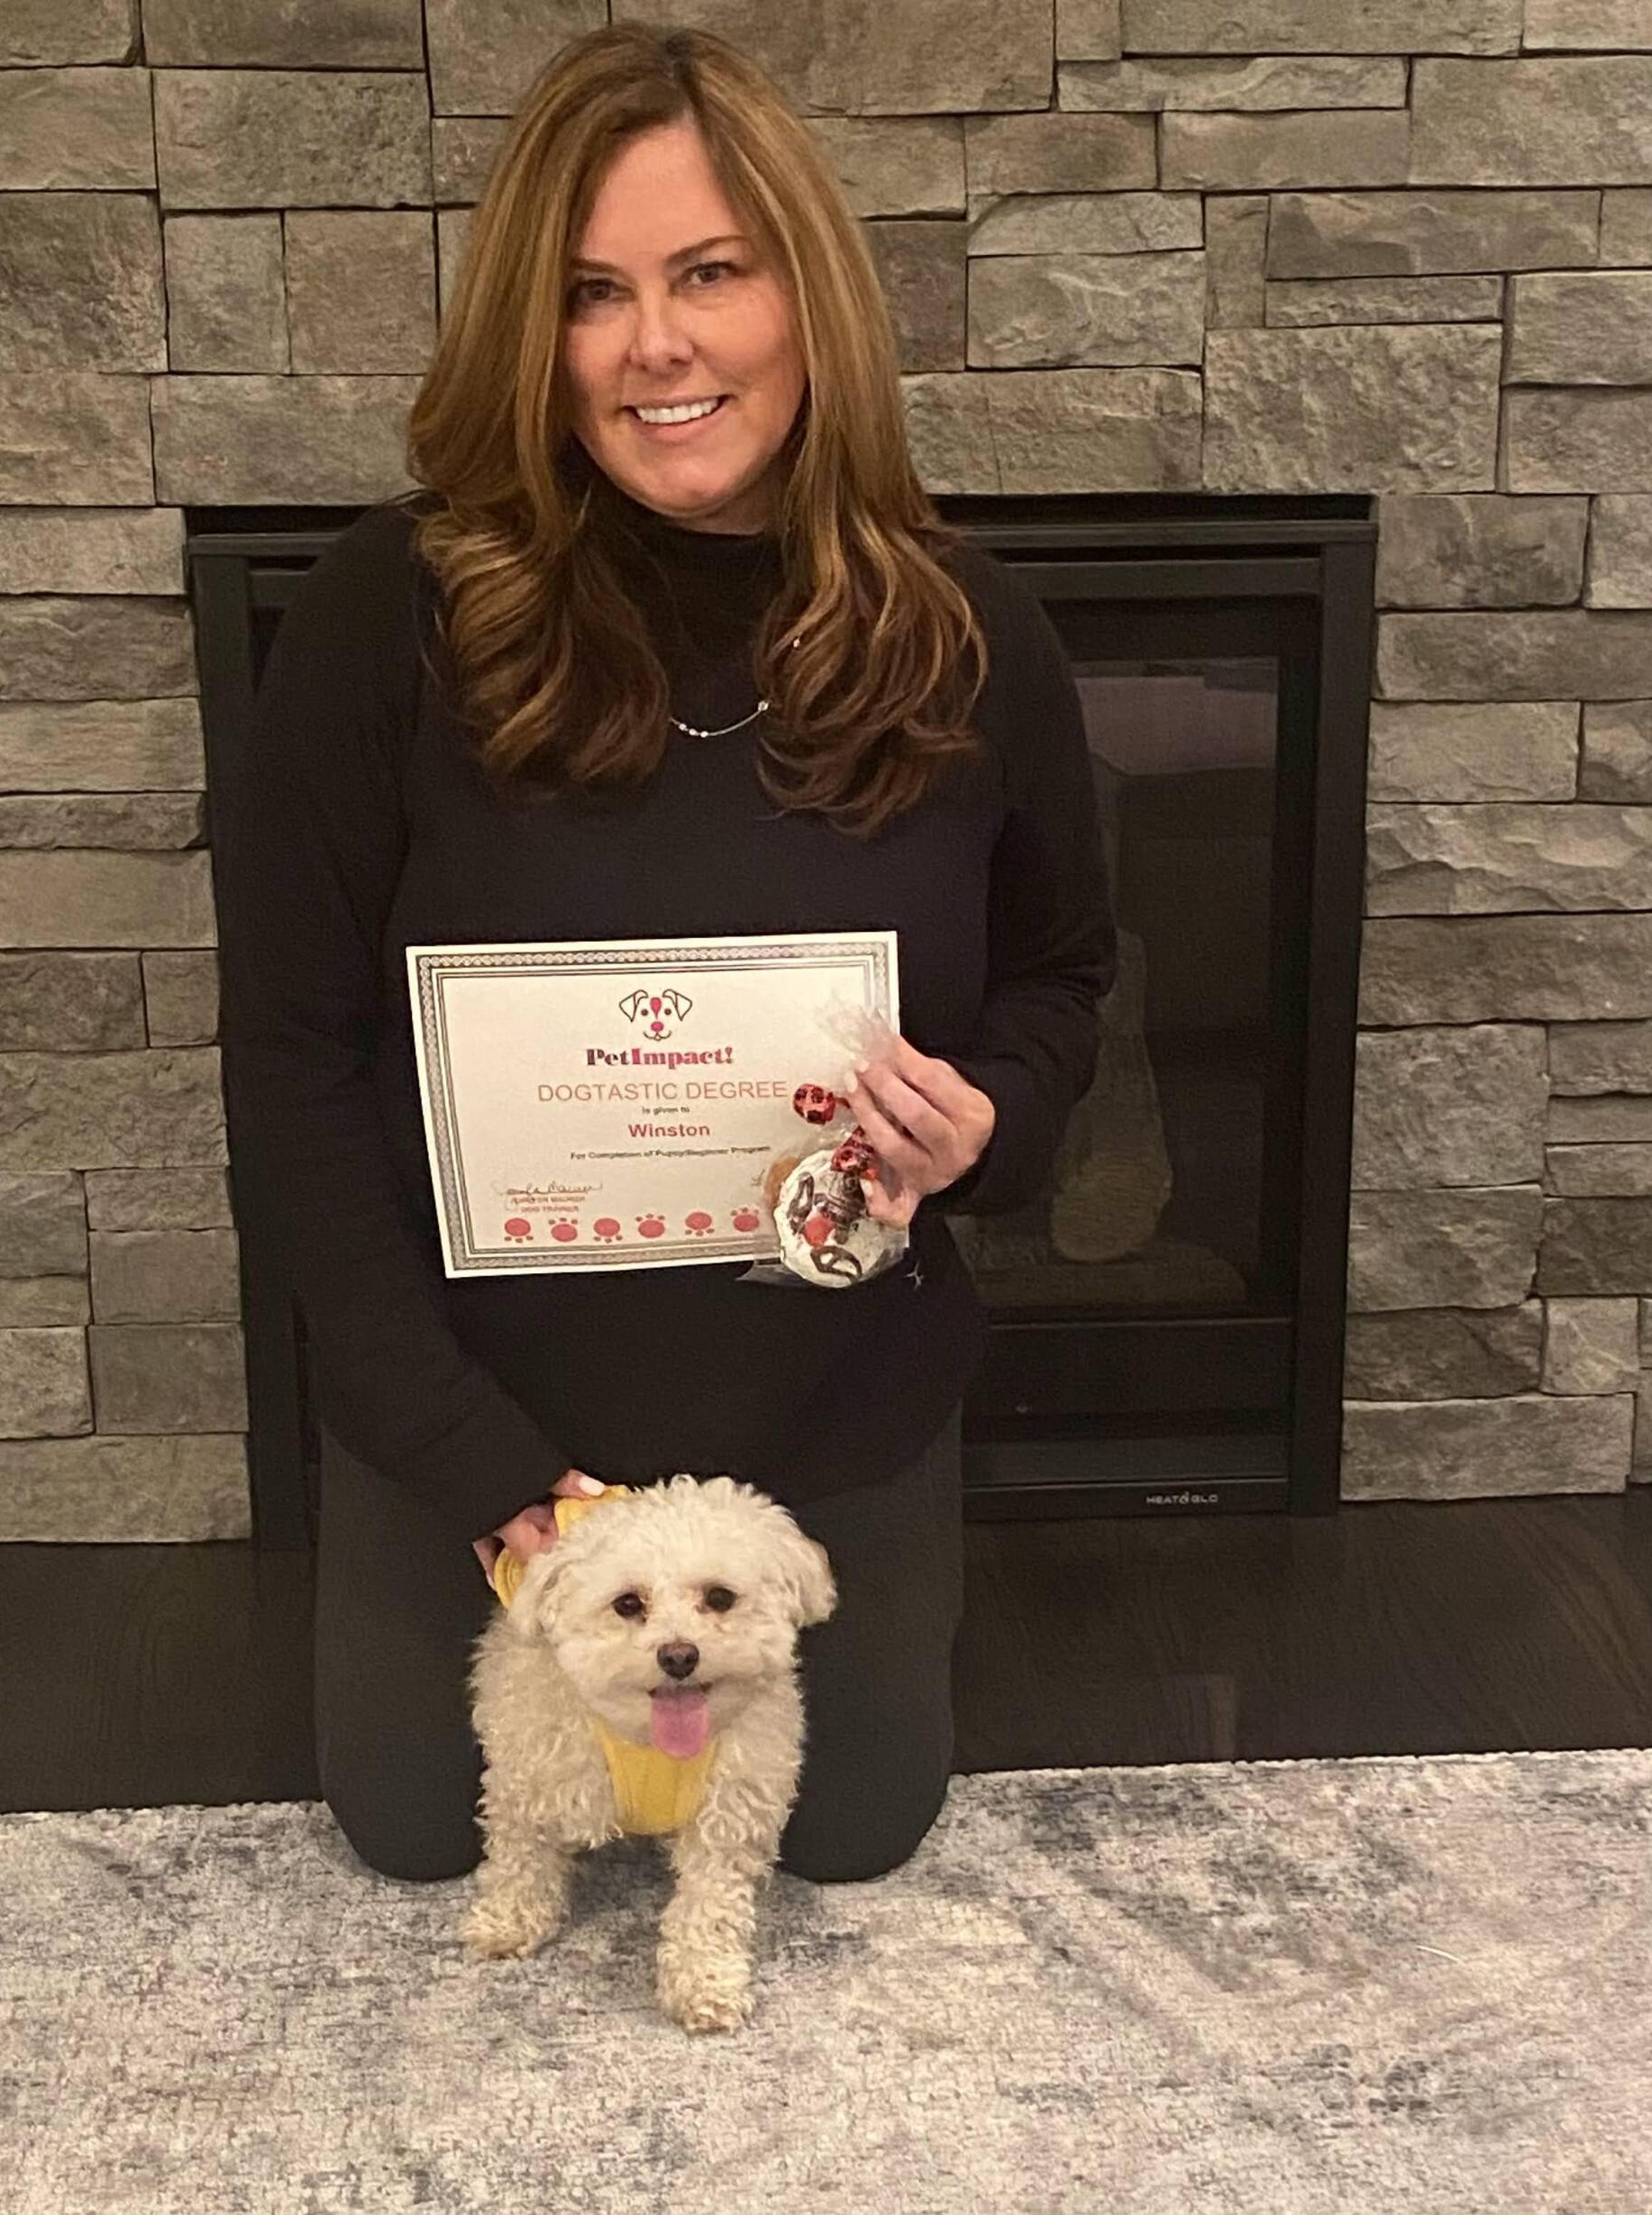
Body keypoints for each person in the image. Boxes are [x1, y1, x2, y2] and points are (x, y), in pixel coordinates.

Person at [217, 23, 1118, 1889]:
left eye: (710, 272)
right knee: (419, 1830)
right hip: (479, 1404)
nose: (658, 346)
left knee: (853, 1836)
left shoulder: (967, 628)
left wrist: (990, 1128)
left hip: (826, 1406)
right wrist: (487, 1480)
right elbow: (291, 1069)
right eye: (594, 295)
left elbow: (1063, 981)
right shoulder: (386, 615)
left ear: (807, 293)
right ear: (532, 340)